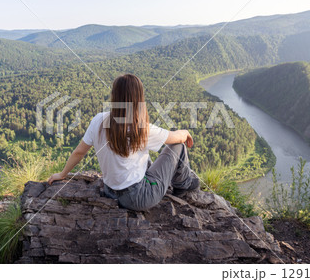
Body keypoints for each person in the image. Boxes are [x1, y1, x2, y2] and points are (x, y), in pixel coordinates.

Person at [47, 74, 199, 211]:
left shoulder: (98, 120)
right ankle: (184, 185)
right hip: (138, 198)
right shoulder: (141, 129)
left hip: (110, 191)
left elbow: (79, 152)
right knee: (178, 147)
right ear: (139, 98)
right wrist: (186, 132)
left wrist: (62, 174)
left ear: (114, 96)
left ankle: (178, 183)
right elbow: (177, 138)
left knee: (144, 157)